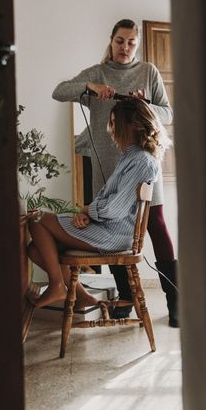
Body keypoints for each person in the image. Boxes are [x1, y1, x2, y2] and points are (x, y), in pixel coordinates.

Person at [52, 19, 180, 327]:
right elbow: (59, 91)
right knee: (112, 232)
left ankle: (176, 300)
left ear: (137, 44)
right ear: (111, 41)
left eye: (131, 43)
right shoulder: (96, 73)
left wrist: (144, 103)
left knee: (157, 226)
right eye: (120, 41)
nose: (125, 48)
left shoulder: (148, 72)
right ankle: (126, 296)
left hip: (143, 165)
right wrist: (89, 88)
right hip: (106, 167)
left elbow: (168, 113)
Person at [26, 98, 170, 311]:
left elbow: (114, 209)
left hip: (113, 235)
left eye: (114, 123)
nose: (111, 130)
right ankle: (82, 296)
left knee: (36, 219)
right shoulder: (130, 157)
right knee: (34, 249)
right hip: (106, 228)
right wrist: (89, 214)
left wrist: (86, 209)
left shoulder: (141, 161)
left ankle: (57, 286)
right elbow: (107, 199)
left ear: (131, 124)